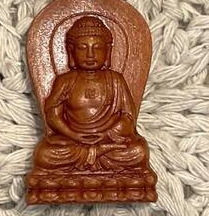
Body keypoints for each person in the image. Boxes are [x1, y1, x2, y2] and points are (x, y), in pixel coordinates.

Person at [32, 16, 150, 172]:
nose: (90, 55)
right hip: (74, 142)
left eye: (97, 48)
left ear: (108, 51)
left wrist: (106, 135)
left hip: (108, 141)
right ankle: (95, 156)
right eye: (82, 48)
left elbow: (128, 117)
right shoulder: (65, 80)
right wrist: (73, 135)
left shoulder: (115, 80)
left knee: (139, 151)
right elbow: (52, 114)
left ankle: (95, 156)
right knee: (44, 154)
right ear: (71, 51)